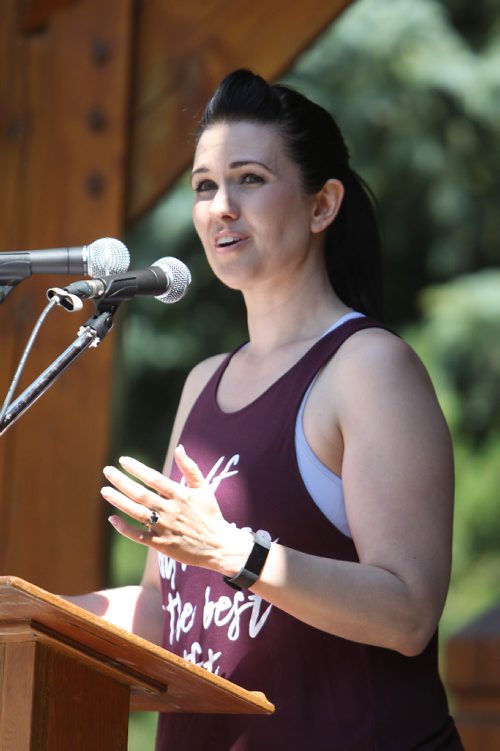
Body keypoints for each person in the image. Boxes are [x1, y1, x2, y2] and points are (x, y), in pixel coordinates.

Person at [67, 69, 463, 749]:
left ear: (322, 205)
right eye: (204, 185)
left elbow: (408, 612)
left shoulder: (369, 368)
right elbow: (172, 618)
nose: (221, 206)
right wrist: (24, 617)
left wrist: (232, 550)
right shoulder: (202, 383)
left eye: (249, 178)